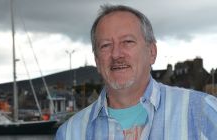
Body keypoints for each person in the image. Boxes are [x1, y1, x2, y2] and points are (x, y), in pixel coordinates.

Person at [55, 5, 217, 140]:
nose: (116, 54)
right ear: (97, 61)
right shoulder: (70, 133)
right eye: (105, 45)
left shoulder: (202, 112)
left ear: (152, 52)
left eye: (127, 42)